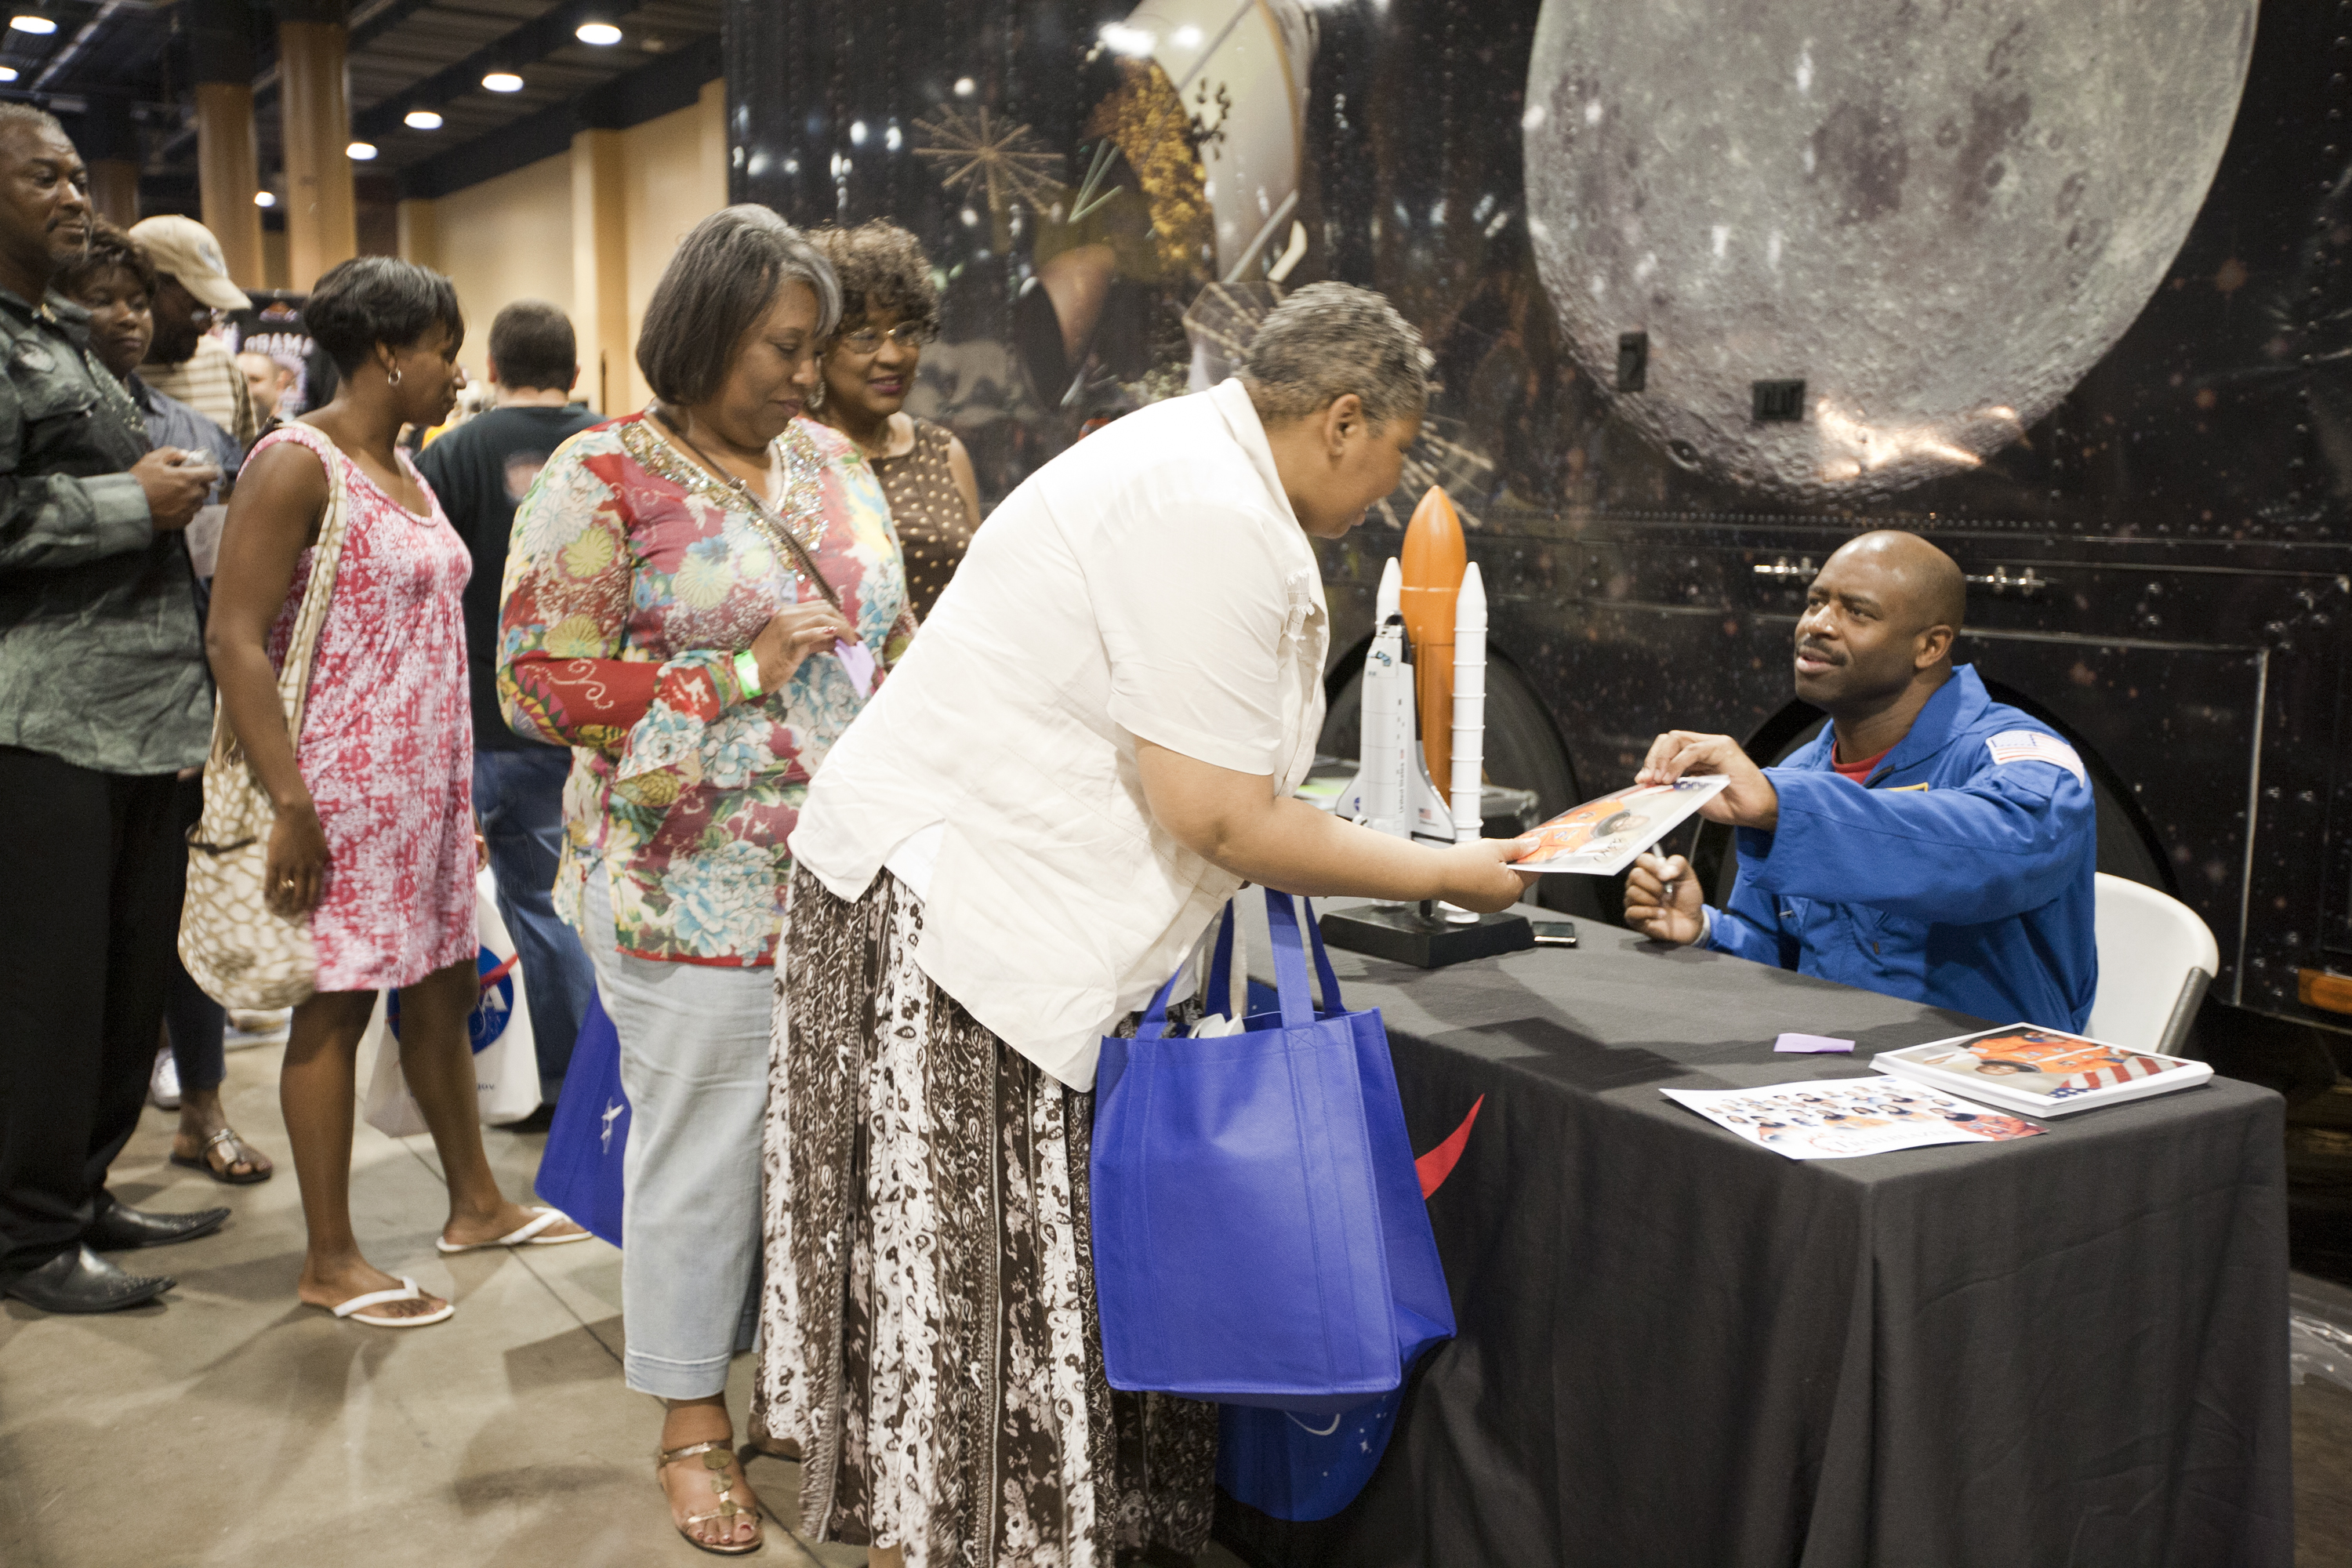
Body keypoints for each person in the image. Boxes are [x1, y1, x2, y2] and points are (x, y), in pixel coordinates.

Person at [759, 281, 1537, 1566]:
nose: (1387, 500)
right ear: (1344, 419)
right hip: (961, 927)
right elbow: (1218, 813)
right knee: (977, 1294)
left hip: (982, 904)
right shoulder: (1209, 511)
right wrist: (1447, 871)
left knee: (999, 1292)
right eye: (1393, 461)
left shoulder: (1196, 467)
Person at [500, 205, 910, 1555]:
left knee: (825, 1156)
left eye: (818, 349)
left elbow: (887, 639)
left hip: (851, 876)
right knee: (708, 1157)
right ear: (704, 332)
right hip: (692, 889)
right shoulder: (600, 476)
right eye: (785, 348)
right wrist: (730, 673)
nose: (809, 373)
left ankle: (793, 1384)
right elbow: (535, 683)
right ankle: (691, 1422)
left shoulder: (835, 466)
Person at [205, 256, 586, 1330]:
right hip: (331, 792)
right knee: (334, 1009)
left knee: (442, 989)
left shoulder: (410, 472)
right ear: (388, 351)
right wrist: (290, 802)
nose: (454, 377)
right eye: (442, 354)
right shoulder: (297, 463)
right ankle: (330, 1257)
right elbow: (233, 638)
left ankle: (474, 1202)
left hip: (423, 788)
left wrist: (453, 792)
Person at [0, 107, 234, 1314]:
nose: (76, 195)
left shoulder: (66, 335)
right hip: (48, 721)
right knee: (50, 988)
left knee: (127, 977)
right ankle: (29, 1238)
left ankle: (82, 1193)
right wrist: (126, 506)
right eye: (46, 176)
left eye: (81, 174)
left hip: (149, 715)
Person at [1624, 529, 2098, 1029]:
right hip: (1838, 1066)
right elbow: (1782, 960)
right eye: (1814, 602)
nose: (1817, 625)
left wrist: (1786, 808)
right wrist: (1703, 932)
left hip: (1992, 1079)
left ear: (1930, 646)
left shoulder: (2027, 758)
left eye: (1857, 612)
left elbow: (1997, 853)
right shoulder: (1802, 771)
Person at [55, 220, 271, 1185]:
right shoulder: (48, 423)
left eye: (138, 300)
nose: (129, 318)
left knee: (175, 927)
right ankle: (68, 1171)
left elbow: (228, 587)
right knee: (73, 952)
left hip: (183, 720)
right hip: (62, 727)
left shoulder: (195, 428)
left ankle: (201, 1108)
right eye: (104, 300)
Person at [416, 299, 603, 1123]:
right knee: (595, 900)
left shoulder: (451, 453)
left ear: (490, 369)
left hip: (500, 715)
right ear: (574, 369)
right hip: (605, 717)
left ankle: (570, 1082)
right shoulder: (614, 444)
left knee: (536, 900)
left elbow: (431, 588)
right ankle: (600, 1073)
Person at [808, 220, 982, 619]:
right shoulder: (791, 456)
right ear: (819, 344)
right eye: (865, 336)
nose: (893, 355)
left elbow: (981, 590)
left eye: (905, 331)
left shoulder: (942, 452)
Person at [127, 214, 259, 449]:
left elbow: (245, 469)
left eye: (212, 310)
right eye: (194, 307)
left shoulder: (220, 362)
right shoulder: (96, 374)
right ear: (142, 290)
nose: (206, 326)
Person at [236, 347, 296, 430]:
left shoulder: (294, 432)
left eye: (255, 380)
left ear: (279, 385)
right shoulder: (221, 433)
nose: (245, 388)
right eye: (238, 380)